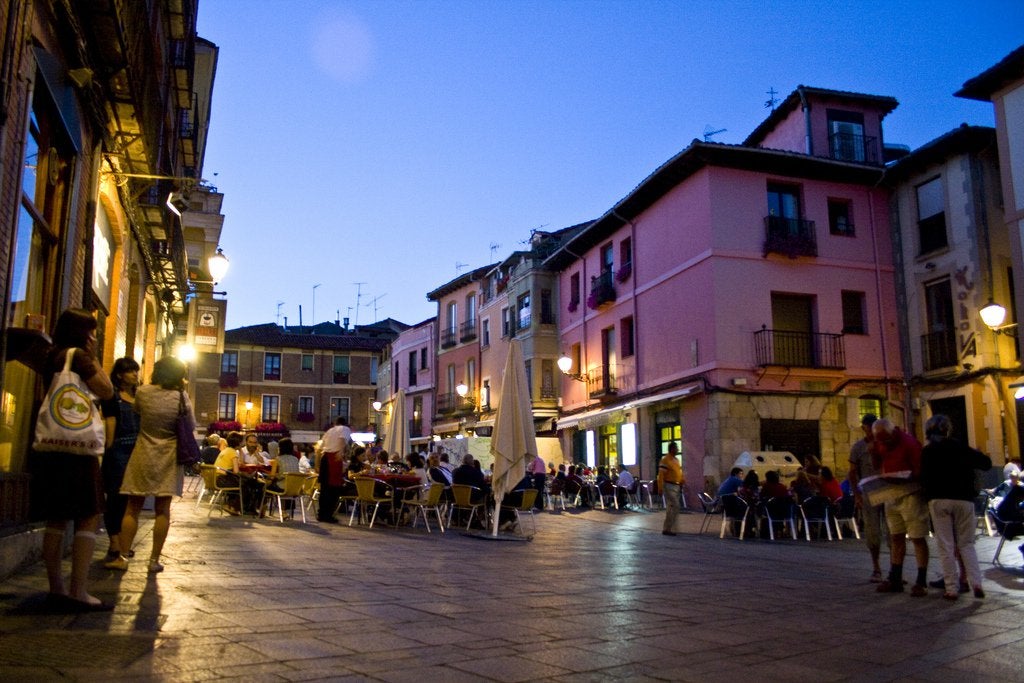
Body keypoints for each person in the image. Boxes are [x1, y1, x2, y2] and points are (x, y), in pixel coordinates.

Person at [37, 309, 115, 611]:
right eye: (91, 331)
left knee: (55, 517)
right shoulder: (79, 358)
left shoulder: (51, 355)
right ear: (82, 333)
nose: (95, 336)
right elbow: (106, 390)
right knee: (88, 514)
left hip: (51, 445)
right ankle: (78, 590)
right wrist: (93, 356)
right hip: (78, 450)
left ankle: (56, 588)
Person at [107, 356, 192, 574]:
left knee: (132, 507)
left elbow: (137, 413)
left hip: (143, 452)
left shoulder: (143, 392)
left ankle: (123, 557)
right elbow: (190, 425)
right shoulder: (181, 397)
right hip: (169, 455)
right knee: (162, 509)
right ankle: (153, 560)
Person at [920, 414, 991, 600]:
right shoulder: (960, 447)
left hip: (939, 499)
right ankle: (976, 583)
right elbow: (986, 464)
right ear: (947, 429)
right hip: (964, 499)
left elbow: (923, 477)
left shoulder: (928, 451)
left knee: (946, 545)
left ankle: (951, 588)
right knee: (967, 544)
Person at [872, 418, 929, 597]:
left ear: (893, 432)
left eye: (885, 439)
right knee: (896, 536)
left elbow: (920, 470)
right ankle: (895, 578)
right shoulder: (880, 443)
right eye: (879, 440)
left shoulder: (909, 443)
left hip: (910, 493)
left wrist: (904, 476)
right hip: (891, 493)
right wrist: (874, 453)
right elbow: (878, 465)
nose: (883, 443)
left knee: (917, 537)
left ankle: (921, 581)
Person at [100, 358, 141, 565]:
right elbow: (110, 422)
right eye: (130, 371)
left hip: (137, 453)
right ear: (119, 375)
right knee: (115, 499)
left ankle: (123, 542)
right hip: (117, 451)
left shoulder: (139, 397)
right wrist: (108, 449)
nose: (135, 374)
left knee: (130, 501)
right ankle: (114, 542)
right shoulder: (111, 396)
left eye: (136, 370)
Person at [848, 413, 884, 582]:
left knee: (894, 532)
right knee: (872, 531)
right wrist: (857, 495)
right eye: (868, 427)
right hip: (869, 493)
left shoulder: (885, 443)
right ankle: (876, 567)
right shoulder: (858, 448)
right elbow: (852, 472)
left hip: (888, 491)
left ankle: (894, 568)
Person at [213, 432, 245, 515]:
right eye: (242, 442)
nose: (243, 443)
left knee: (240, 482)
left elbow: (239, 463)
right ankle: (233, 507)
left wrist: (240, 450)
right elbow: (236, 471)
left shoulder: (226, 450)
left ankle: (231, 505)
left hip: (216, 479)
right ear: (238, 443)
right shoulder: (233, 453)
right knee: (245, 484)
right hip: (223, 480)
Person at [657, 442, 685, 536]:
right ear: (672, 449)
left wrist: (681, 480)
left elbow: (679, 472)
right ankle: (671, 528)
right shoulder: (665, 460)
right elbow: (661, 475)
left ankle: (667, 528)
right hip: (668, 485)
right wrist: (660, 488)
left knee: (670, 508)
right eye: (676, 448)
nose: (678, 450)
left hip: (676, 486)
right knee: (675, 505)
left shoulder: (676, 460)